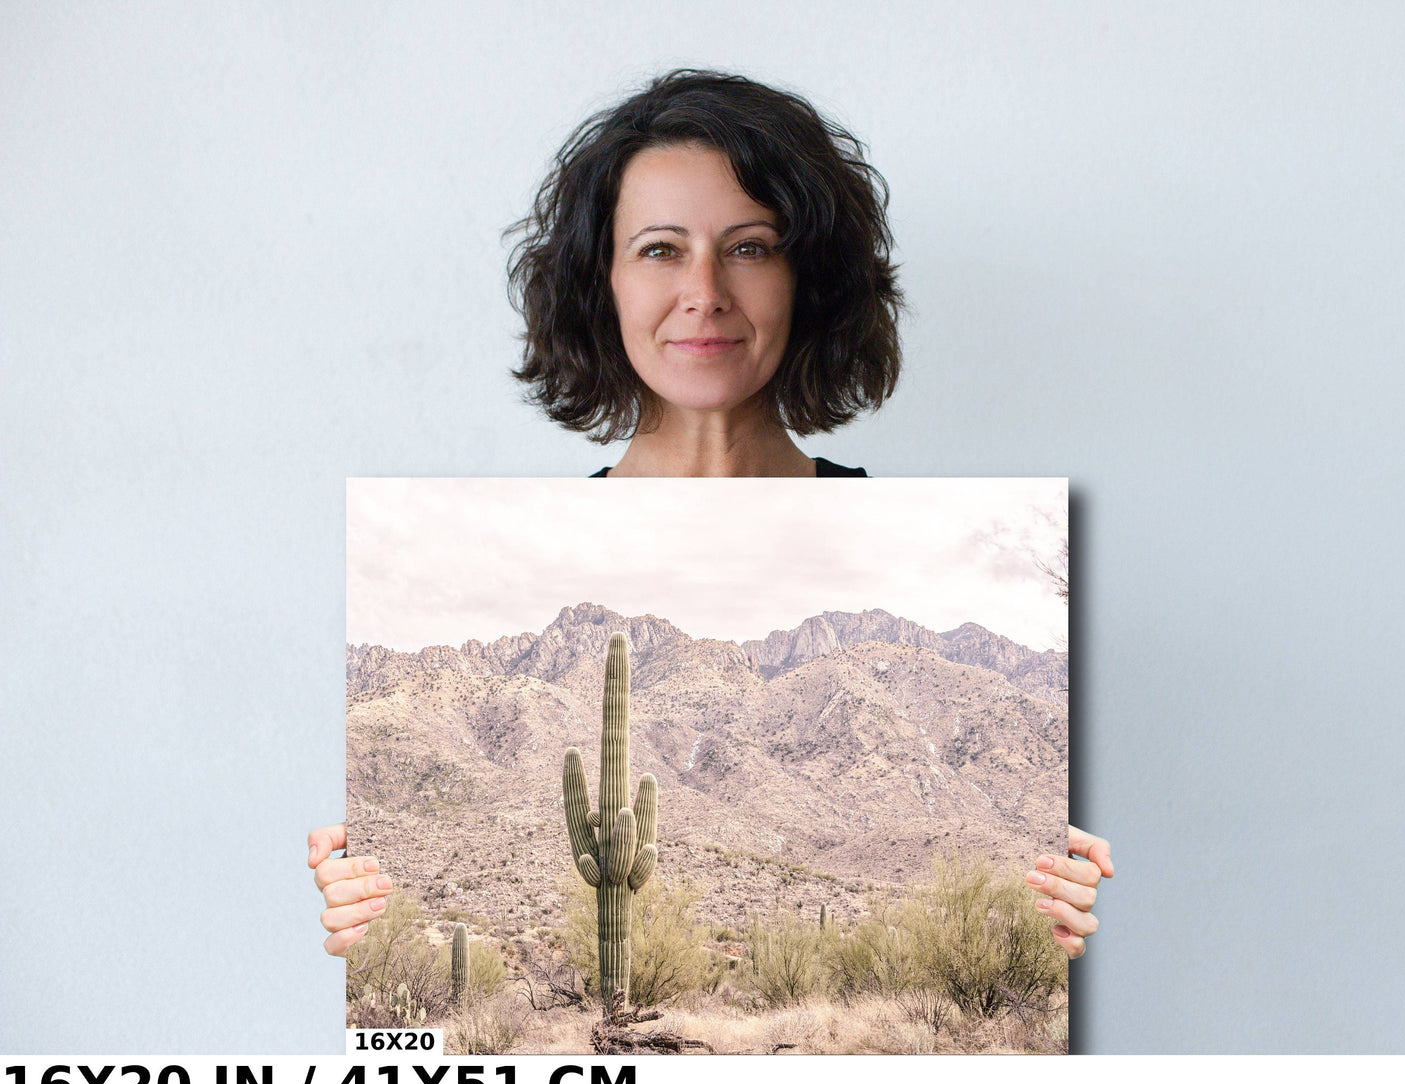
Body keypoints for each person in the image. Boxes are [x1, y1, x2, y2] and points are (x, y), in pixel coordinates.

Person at [311, 69, 1112, 961]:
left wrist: (1051, 914)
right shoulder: (506, 541)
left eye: (750, 247)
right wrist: (364, 921)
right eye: (659, 249)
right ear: (601, 282)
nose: (705, 290)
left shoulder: (930, 538)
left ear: (807, 281)